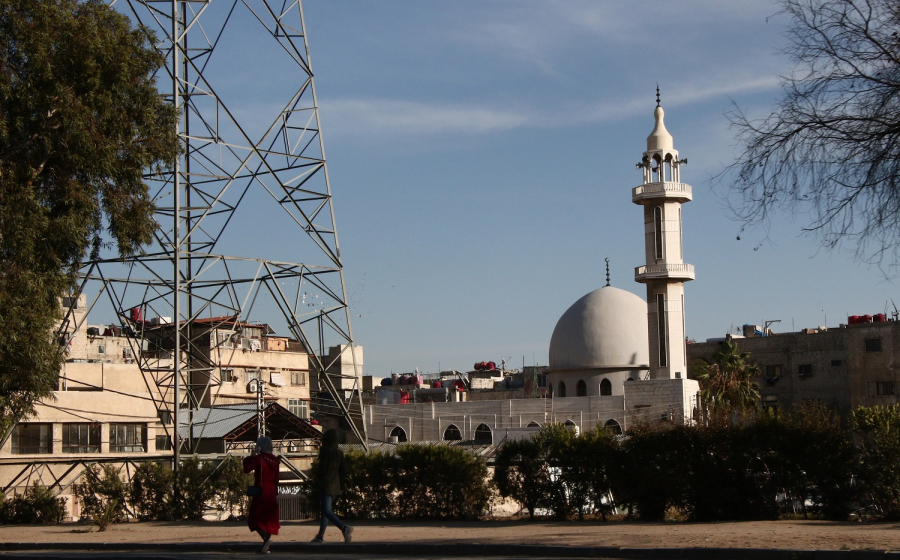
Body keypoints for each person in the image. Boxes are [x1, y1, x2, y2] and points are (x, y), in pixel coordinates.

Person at [311, 429, 353, 544]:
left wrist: (317, 476)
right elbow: (343, 469)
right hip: (336, 483)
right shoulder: (339, 452)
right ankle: (320, 536)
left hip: (326, 483)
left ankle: (343, 528)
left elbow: (322, 469)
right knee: (326, 510)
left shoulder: (325, 452)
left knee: (326, 510)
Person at [243, 436, 280, 554]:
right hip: (271, 491)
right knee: (268, 518)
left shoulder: (259, 459)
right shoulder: (275, 460)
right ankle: (266, 545)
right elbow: (277, 479)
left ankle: (265, 538)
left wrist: (251, 456)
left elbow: (247, 468)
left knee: (254, 518)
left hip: (260, 490)